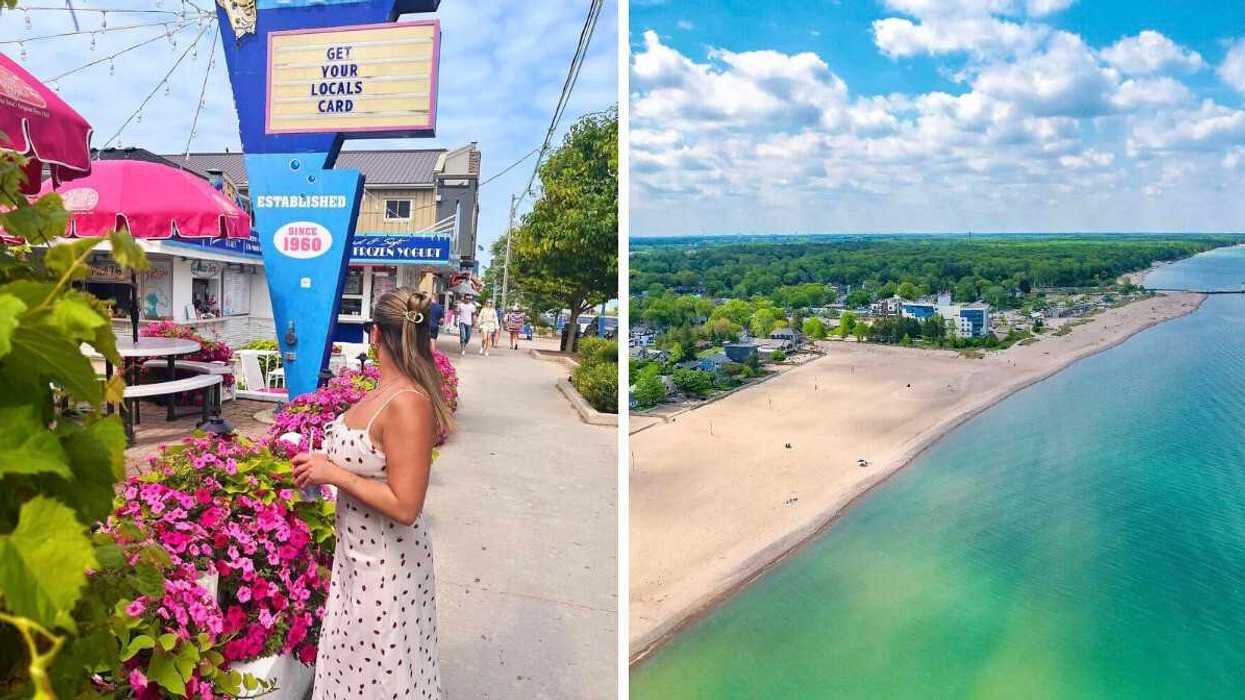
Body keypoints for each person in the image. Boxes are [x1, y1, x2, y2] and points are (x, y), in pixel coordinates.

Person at [293, 288, 454, 700]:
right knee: (356, 671)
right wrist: (321, 467)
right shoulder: (381, 391)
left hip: (388, 568)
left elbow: (406, 505)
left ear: (375, 335)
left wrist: (333, 474)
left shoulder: (408, 403)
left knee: (384, 674)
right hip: (356, 561)